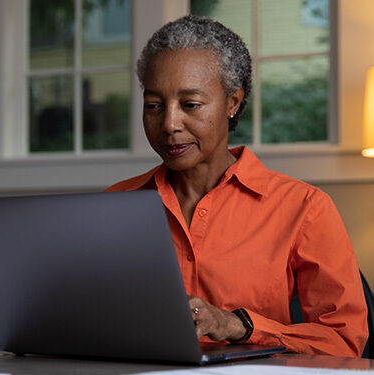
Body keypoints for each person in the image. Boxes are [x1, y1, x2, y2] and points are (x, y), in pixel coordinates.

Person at [106, 15, 368, 357]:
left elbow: (344, 343)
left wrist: (238, 325)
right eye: (154, 106)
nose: (169, 124)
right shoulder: (114, 206)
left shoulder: (304, 208)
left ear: (232, 102)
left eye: (190, 105)